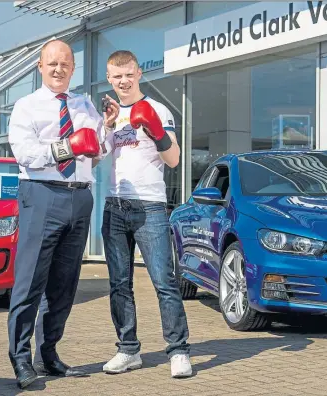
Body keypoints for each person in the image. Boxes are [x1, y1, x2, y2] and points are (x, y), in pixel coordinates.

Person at [7, 39, 119, 389]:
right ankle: (21, 358)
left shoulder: (84, 103)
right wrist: (67, 146)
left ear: (73, 68)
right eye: (52, 63)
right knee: (29, 282)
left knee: (64, 285)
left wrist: (109, 127)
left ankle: (49, 353)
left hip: (79, 197)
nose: (58, 69)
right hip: (41, 195)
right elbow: (24, 153)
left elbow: (98, 150)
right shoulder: (26, 106)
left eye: (65, 64)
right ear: (41, 67)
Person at [97, 50, 192, 378]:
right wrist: (105, 127)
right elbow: (96, 157)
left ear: (138, 73)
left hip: (150, 206)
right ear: (109, 78)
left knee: (164, 281)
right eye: (116, 76)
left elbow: (174, 159)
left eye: (128, 75)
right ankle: (128, 350)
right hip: (115, 206)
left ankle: (178, 351)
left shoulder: (157, 109)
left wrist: (154, 129)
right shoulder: (109, 115)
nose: (123, 81)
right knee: (119, 283)